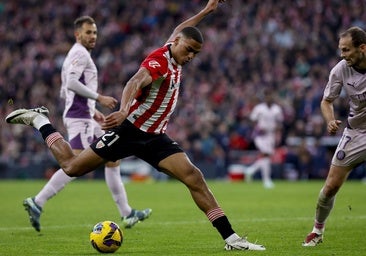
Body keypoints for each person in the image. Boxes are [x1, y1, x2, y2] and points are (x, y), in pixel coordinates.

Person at [6, 0, 265, 251]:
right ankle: (40, 120)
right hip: (129, 131)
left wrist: (207, 10)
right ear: (176, 44)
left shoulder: (174, 47)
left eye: (195, 53)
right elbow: (135, 81)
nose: (190, 57)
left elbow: (180, 29)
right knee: (71, 166)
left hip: (154, 137)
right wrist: (123, 110)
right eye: (188, 50)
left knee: (194, 177)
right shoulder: (159, 61)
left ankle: (231, 238)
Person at [22, 16, 151, 232]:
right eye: (88, 32)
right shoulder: (79, 54)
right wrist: (99, 98)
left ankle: (127, 213)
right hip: (78, 117)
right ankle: (38, 201)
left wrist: (94, 112)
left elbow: (67, 88)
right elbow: (71, 84)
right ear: (77, 34)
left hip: (85, 115)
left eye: (95, 33)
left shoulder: (78, 55)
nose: (93, 36)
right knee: (74, 164)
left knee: (113, 157)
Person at [302, 26, 366, 246]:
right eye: (341, 49)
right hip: (357, 132)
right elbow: (326, 101)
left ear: (362, 48)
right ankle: (317, 231)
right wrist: (329, 120)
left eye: (347, 50)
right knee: (330, 187)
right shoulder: (340, 69)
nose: (343, 54)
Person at [244, 89, 284, 188]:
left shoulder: (277, 109)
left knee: (266, 157)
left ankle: (250, 170)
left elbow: (280, 123)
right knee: (265, 155)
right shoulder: (259, 108)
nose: (268, 98)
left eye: (270, 96)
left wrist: (277, 131)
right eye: (267, 96)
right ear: (264, 98)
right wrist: (257, 128)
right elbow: (252, 120)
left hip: (271, 135)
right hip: (260, 135)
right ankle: (266, 180)